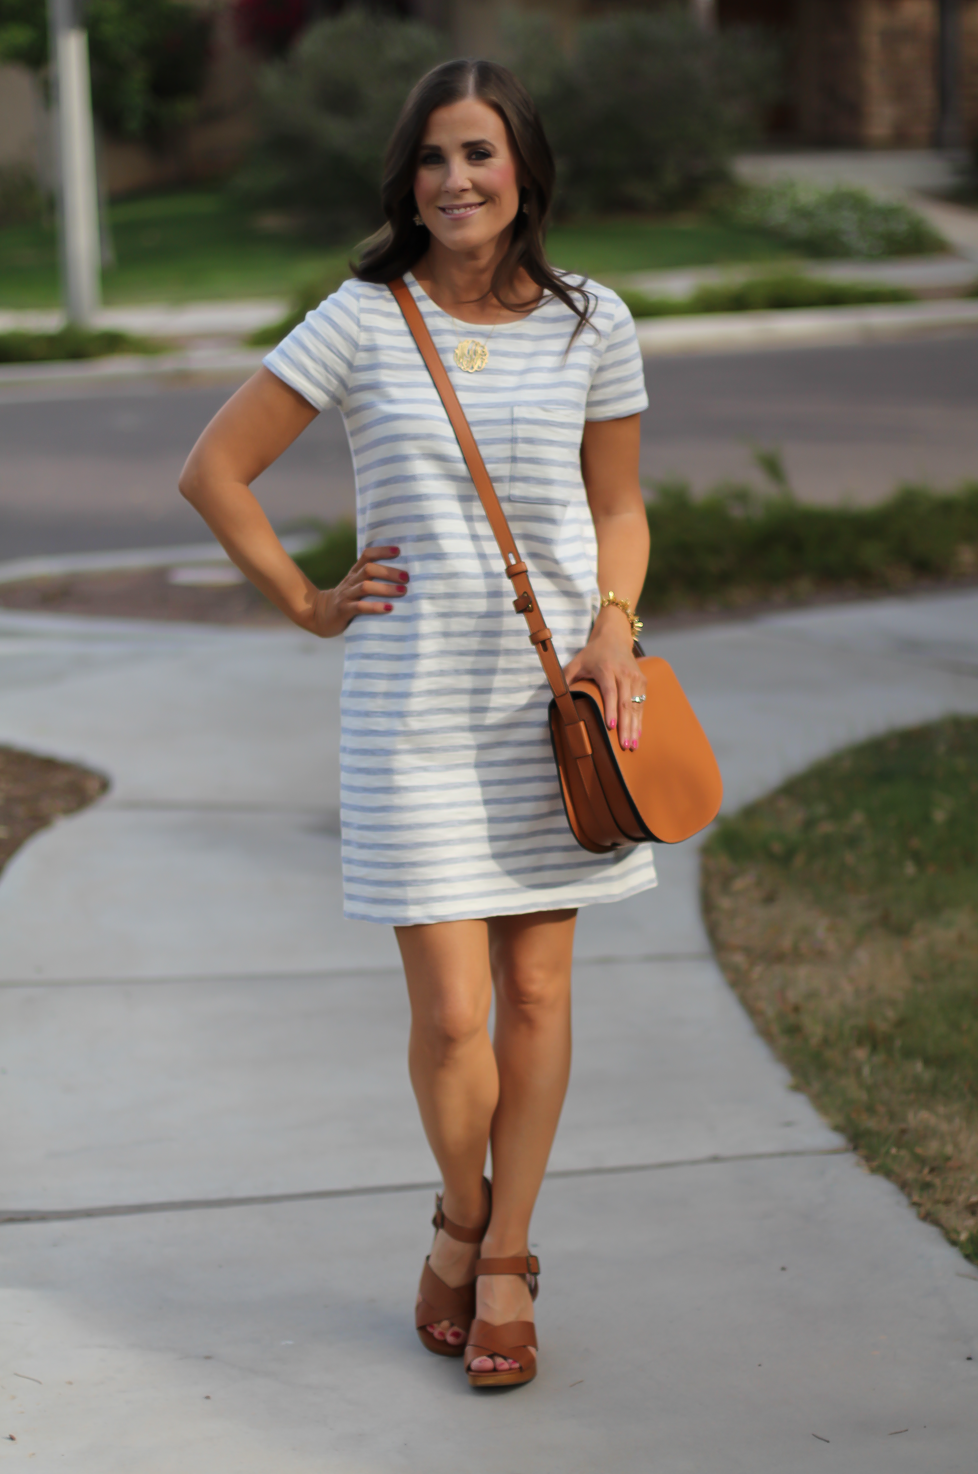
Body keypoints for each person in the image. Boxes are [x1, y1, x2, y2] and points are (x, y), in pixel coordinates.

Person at [179, 56, 655, 1390]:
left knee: (540, 989)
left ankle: (503, 1254)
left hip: (551, 699)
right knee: (453, 1014)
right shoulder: (361, 317)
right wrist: (306, 600)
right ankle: (460, 1209)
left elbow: (617, 503)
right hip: (411, 710)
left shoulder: (591, 320)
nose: (455, 179)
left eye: (480, 156)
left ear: (523, 173)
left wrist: (614, 620)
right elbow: (214, 468)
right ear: (408, 178)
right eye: (435, 158)